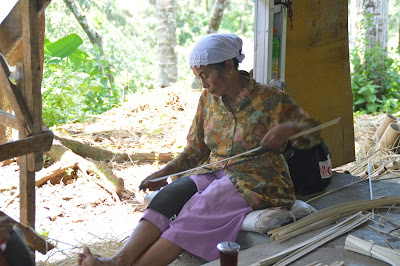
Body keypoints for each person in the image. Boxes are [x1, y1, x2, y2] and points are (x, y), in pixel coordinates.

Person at [78, 33, 320, 266]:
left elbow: (313, 133)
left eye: (206, 75)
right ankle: (118, 260)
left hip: (258, 179)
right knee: (168, 196)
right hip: (214, 171)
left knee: (200, 207)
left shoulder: (271, 99)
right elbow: (195, 150)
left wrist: (289, 129)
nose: (203, 83)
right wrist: (164, 172)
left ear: (228, 66)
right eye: (198, 76)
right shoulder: (208, 100)